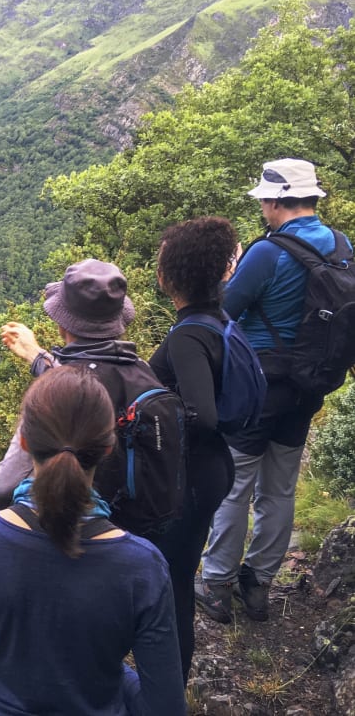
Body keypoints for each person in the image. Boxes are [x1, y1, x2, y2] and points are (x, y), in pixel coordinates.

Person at [0, 366, 187, 715]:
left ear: (25, 442)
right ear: (108, 448)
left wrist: (7, 658)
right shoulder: (142, 565)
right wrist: (110, 673)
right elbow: (164, 708)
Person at [196, 158, 353, 623]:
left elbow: (226, 309)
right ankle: (259, 584)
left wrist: (228, 276)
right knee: (280, 487)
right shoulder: (342, 245)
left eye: (264, 200)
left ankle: (217, 583)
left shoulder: (268, 251)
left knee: (234, 485)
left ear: (274, 201)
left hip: (259, 385)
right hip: (310, 385)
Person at [148, 216, 238, 682]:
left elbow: (202, 415)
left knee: (173, 579)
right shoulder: (217, 320)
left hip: (191, 476)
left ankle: (168, 684)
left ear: (169, 275)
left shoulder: (187, 336)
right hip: (212, 468)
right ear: (223, 270)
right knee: (176, 575)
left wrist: (147, 420)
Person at [0, 258, 137, 508]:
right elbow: (86, 375)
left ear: (62, 323)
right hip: (137, 521)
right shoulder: (143, 371)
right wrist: (38, 357)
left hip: (74, 519)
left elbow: (4, 487)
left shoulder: (55, 398)